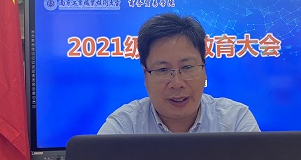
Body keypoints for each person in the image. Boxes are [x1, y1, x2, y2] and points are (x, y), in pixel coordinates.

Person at [98, 13, 260, 134]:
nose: (177, 83)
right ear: (145, 76)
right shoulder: (124, 127)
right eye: (163, 70)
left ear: (204, 70)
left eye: (187, 67)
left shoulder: (235, 121)